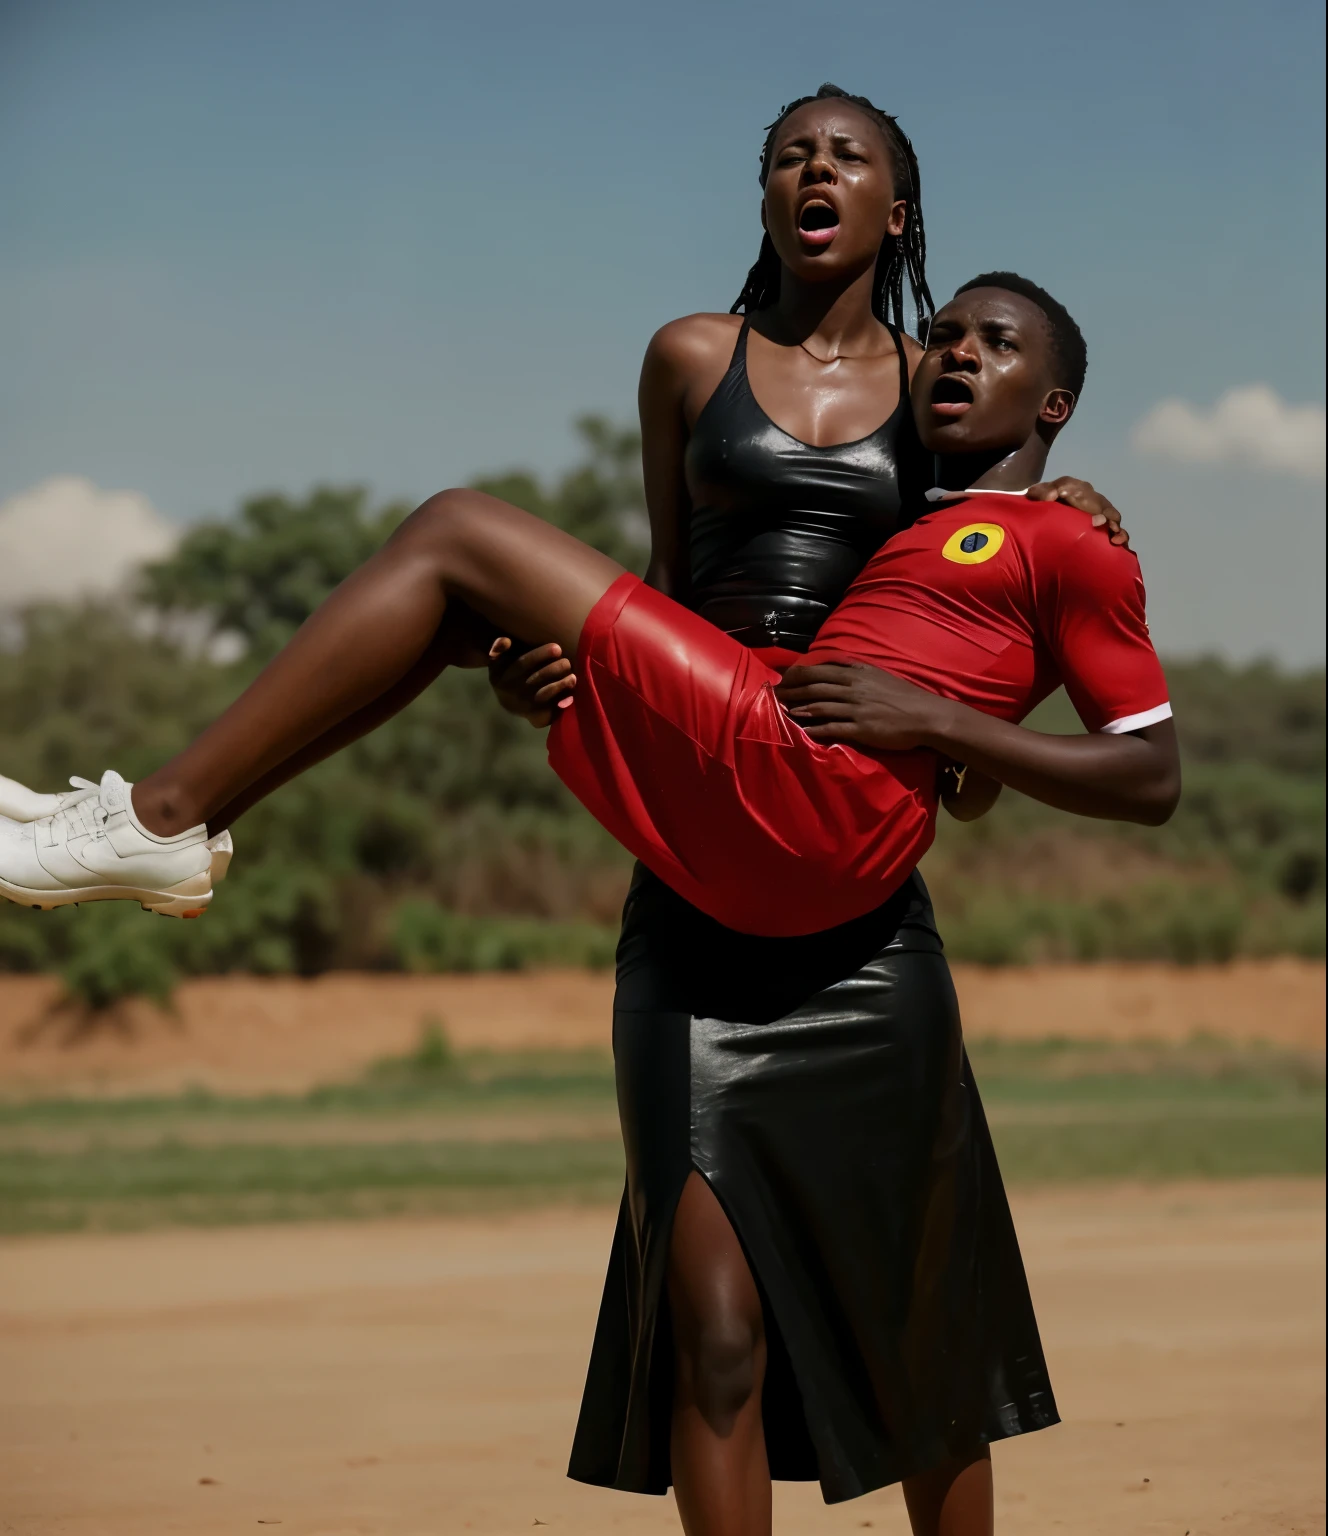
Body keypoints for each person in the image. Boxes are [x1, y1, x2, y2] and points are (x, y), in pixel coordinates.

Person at [0, 91, 1177, 1536]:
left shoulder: (945, 416)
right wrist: (542, 676)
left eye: (847, 152)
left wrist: (1066, 510)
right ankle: (162, 828)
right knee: (715, 1336)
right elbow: (671, 599)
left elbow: (985, 651)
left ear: (900, 209)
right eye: (786, 153)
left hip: (858, 907)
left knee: (922, 1335)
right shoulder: (691, 360)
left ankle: (160, 826)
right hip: (707, 831)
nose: (814, 168)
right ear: (763, 197)